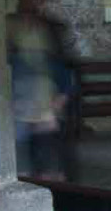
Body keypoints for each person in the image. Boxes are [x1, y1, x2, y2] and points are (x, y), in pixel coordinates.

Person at [8, 11, 76, 180]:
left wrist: (56, 105)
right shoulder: (17, 61)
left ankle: (51, 180)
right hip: (24, 118)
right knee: (26, 163)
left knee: (47, 163)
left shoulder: (47, 61)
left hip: (42, 117)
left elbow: (65, 82)